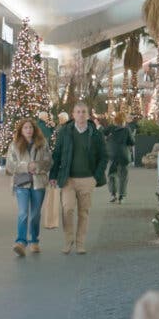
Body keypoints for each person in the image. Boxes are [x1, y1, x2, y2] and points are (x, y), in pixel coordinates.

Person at [49, 102, 107, 254]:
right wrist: (53, 175)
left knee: (83, 212)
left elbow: (104, 157)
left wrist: (96, 177)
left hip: (87, 179)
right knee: (67, 209)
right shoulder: (65, 132)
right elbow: (57, 154)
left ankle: (80, 243)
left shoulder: (95, 134)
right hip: (68, 179)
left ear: (88, 115)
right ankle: (68, 240)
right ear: (73, 114)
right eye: (78, 112)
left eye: (83, 112)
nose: (81, 114)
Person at [5, 118, 50, 257]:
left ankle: (34, 241)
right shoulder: (14, 145)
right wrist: (26, 166)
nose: (28, 130)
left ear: (34, 129)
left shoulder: (42, 144)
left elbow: (49, 162)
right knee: (23, 213)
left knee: (35, 214)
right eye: (25, 128)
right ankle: (21, 242)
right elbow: (10, 166)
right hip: (21, 184)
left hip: (38, 184)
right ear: (21, 130)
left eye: (30, 127)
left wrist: (36, 166)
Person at [104, 112, 135, 204]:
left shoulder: (110, 128)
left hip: (112, 154)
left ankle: (113, 194)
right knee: (123, 176)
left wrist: (108, 140)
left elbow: (102, 133)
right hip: (123, 155)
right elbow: (132, 142)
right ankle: (121, 196)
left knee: (111, 174)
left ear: (115, 120)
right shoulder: (127, 129)